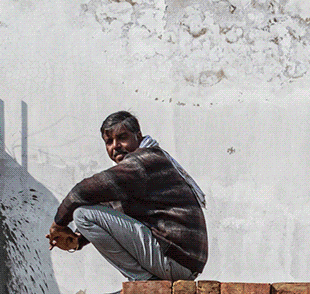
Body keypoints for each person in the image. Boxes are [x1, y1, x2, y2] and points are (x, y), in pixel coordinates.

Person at [47, 111, 208, 282]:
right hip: (180, 263)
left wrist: (58, 224)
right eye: (109, 142)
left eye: (122, 138)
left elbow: (82, 191)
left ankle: (144, 281)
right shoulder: (136, 173)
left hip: (175, 260)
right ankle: (145, 280)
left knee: (82, 215)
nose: (115, 146)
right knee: (91, 212)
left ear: (138, 136)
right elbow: (111, 210)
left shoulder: (144, 161)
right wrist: (77, 240)